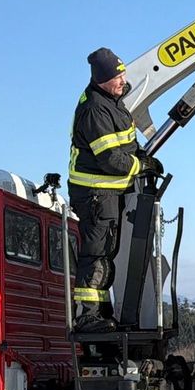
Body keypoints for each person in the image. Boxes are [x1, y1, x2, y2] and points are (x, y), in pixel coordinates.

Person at [69, 47, 159, 334]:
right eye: (117, 77)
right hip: (95, 195)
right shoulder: (96, 109)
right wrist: (140, 166)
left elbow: (125, 143)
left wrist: (142, 155)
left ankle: (101, 312)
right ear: (101, 79)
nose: (123, 80)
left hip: (106, 194)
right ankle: (87, 316)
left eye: (123, 74)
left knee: (106, 252)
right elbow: (110, 160)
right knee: (97, 254)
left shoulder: (111, 101)